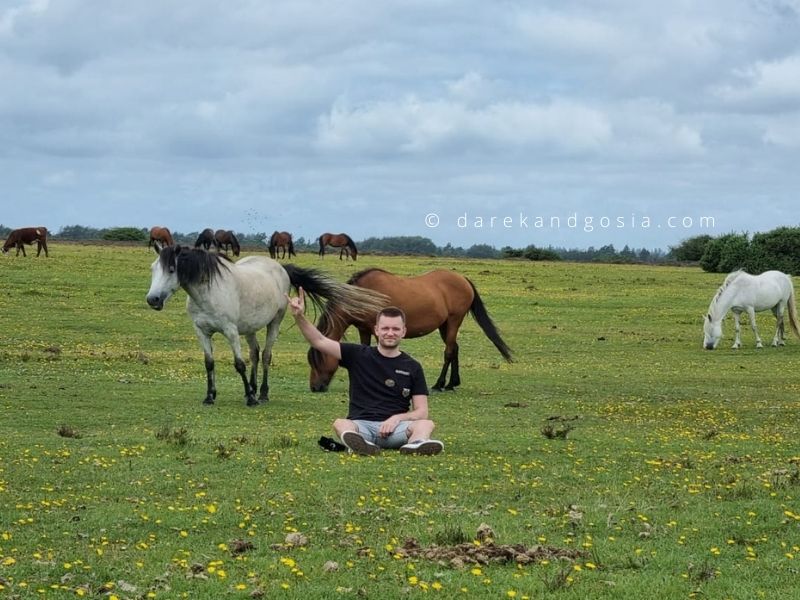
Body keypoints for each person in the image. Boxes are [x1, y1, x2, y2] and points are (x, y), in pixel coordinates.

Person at [286, 287, 444, 456]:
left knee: (426, 424)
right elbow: (319, 341)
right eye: (385, 329)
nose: (390, 333)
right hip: (361, 426)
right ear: (376, 330)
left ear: (403, 332)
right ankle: (362, 444)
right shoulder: (357, 354)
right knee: (341, 423)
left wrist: (396, 419)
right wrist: (299, 316)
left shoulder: (412, 366)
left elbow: (421, 411)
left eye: (395, 329)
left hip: (396, 429)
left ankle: (415, 444)